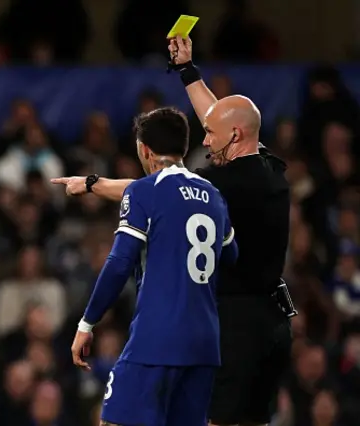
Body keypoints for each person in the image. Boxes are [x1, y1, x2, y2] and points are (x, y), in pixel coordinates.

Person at [55, 36, 294, 426]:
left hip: (230, 324)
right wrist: (188, 73)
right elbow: (219, 118)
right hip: (272, 324)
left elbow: (155, 193)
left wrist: (93, 183)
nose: (204, 139)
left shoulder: (220, 185)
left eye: (211, 135)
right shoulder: (267, 167)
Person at [70, 107, 239, 426]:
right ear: (184, 148)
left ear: (144, 149)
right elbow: (231, 256)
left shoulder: (143, 191)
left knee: (114, 422)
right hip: (204, 345)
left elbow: (120, 263)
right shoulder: (213, 196)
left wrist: (87, 324)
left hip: (157, 338)